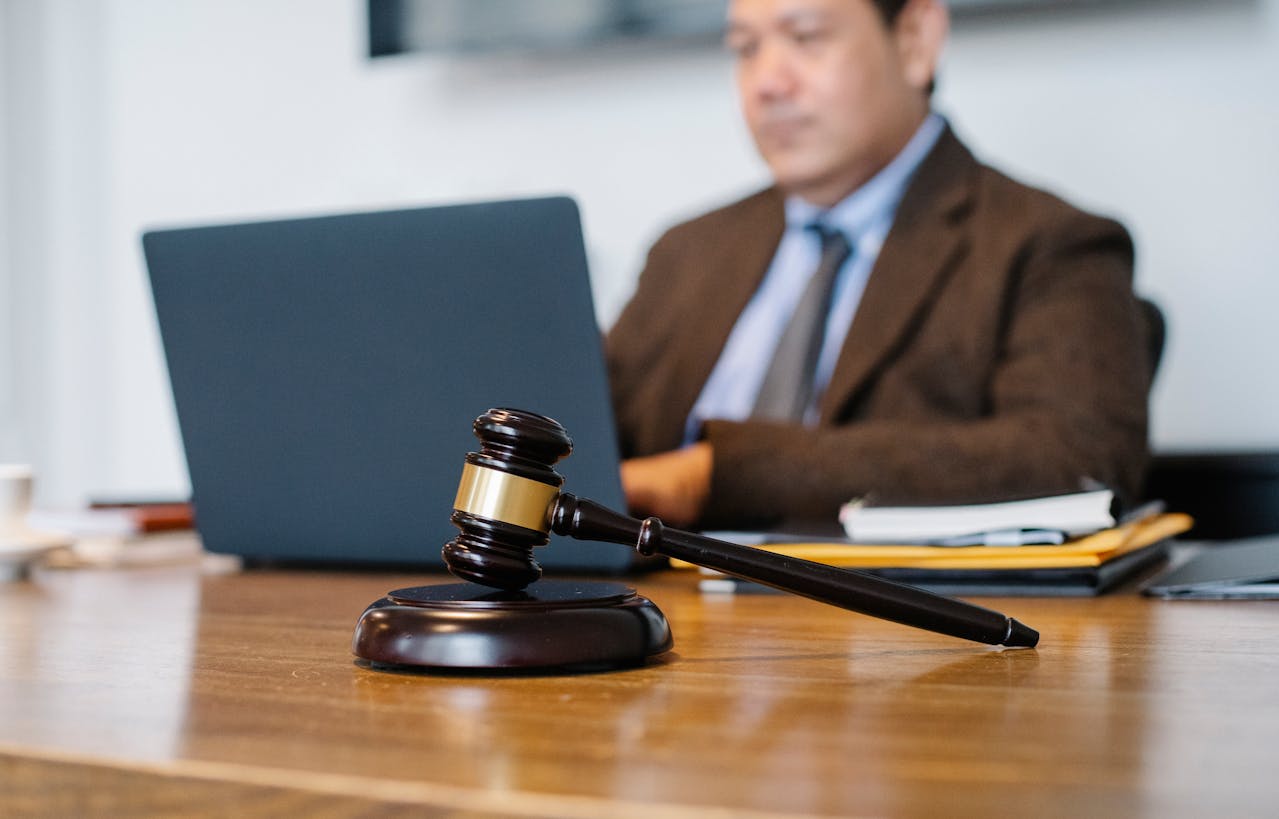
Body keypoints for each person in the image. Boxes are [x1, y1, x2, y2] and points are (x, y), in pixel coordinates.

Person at [606, 0, 1150, 530]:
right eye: (745, 49)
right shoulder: (686, 252)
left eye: (806, 37)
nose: (766, 83)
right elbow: (581, 435)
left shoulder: (1048, 243)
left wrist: (717, 474)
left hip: (884, 615)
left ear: (915, 41)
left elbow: (1077, 457)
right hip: (643, 607)